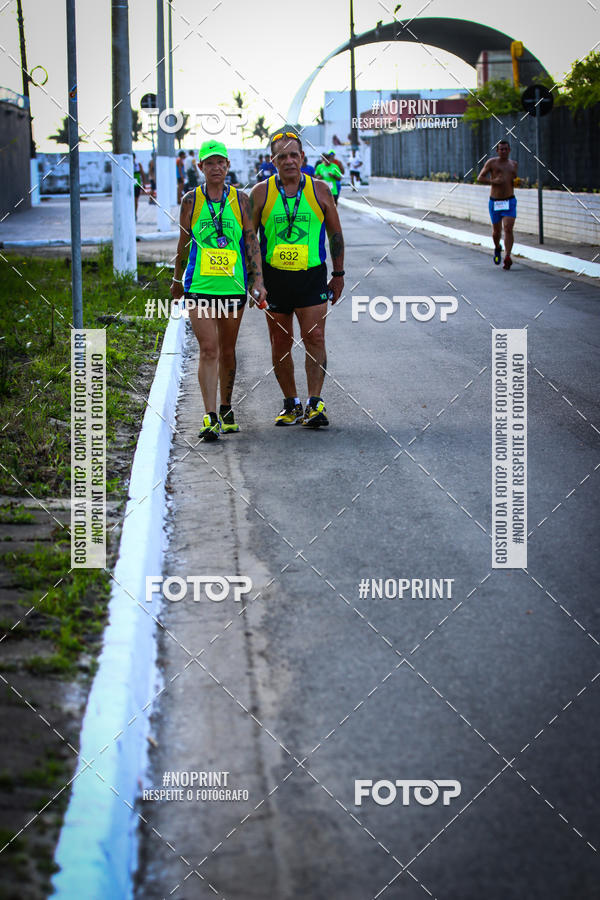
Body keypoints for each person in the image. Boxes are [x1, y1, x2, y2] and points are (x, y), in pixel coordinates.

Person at [171, 139, 267, 441]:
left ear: (227, 165)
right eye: (210, 163)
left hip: (232, 287)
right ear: (200, 166)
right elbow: (184, 242)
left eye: (220, 162)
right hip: (200, 286)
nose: (216, 168)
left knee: (227, 350)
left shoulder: (241, 200)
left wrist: (257, 281)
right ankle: (210, 415)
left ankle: (226, 407)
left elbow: (250, 240)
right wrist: (177, 280)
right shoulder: (191, 200)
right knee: (209, 348)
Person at [250, 127, 345, 428]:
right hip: (274, 279)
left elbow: (335, 234)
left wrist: (338, 274)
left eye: (293, 155)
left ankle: (315, 403)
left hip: (311, 277)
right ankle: (290, 403)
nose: (289, 161)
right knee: (280, 342)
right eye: (282, 157)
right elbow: (250, 240)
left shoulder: (320, 190)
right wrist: (256, 280)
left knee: (315, 337)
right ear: (273, 161)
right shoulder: (260, 193)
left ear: (302, 157)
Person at [477, 140, 518, 270]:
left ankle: (508, 256)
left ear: (509, 150)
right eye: (501, 149)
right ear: (497, 151)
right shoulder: (492, 162)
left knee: (508, 228)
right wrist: (493, 181)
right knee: (496, 232)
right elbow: (480, 177)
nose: (504, 151)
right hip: (495, 201)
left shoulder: (513, 164)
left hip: (509, 200)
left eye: (506, 149)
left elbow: (513, 180)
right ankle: (497, 247)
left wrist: (518, 182)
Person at [133, 153, 146, 220]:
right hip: (129, 186)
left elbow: (143, 174)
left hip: (137, 185)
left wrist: (143, 185)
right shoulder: (127, 165)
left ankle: (135, 213)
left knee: (135, 200)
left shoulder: (138, 165)